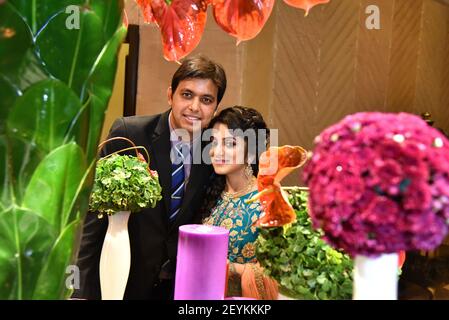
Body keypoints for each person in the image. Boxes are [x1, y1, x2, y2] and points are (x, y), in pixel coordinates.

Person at [72, 54, 227, 300]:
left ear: (215, 107)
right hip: (122, 280)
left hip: (180, 288)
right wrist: (79, 290)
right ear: (170, 95)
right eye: (187, 95)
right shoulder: (130, 133)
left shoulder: (216, 153)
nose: (195, 107)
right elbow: (94, 215)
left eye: (206, 99)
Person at [201, 106, 279, 300]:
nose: (216, 152)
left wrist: (232, 268)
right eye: (214, 142)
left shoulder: (268, 201)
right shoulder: (209, 192)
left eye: (229, 144)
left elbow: (280, 271)